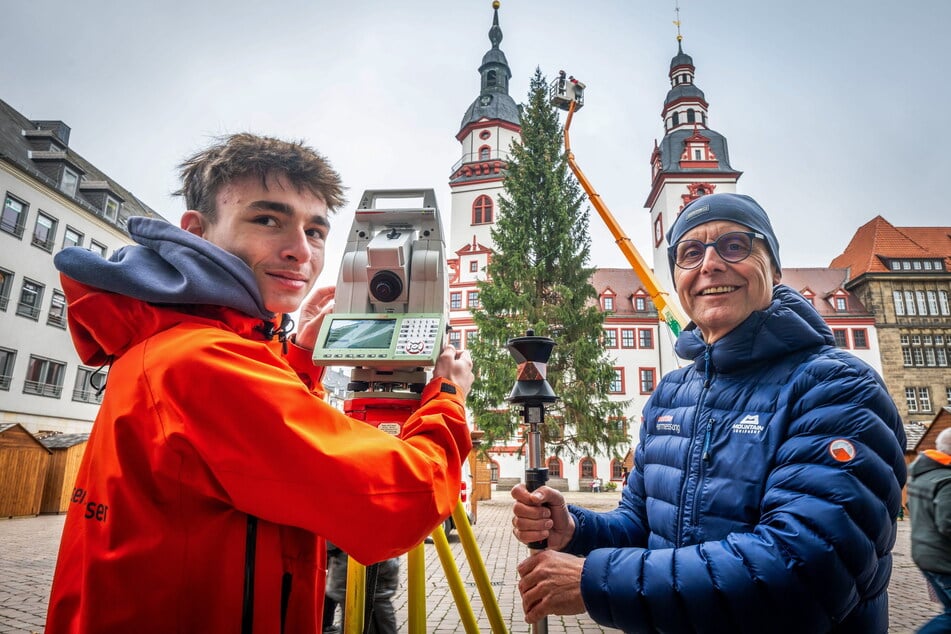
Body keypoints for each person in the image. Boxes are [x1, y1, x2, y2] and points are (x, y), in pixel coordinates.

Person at [45, 133, 474, 633]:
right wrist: (447, 397)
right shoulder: (204, 363)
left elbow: (244, 459)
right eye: (267, 220)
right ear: (197, 231)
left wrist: (296, 361)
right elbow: (401, 502)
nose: (299, 251)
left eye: (315, 231)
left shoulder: (176, 339)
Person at [511, 193, 906, 633]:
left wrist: (596, 580)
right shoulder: (672, 393)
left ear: (774, 268)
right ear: (679, 276)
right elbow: (643, 527)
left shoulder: (837, 388)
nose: (710, 264)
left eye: (734, 245)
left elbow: (805, 572)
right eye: (691, 252)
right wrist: (577, 530)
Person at [908, 427, 951, 633]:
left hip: (925, 553)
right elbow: (948, 523)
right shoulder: (946, 479)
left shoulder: (923, 472)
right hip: (943, 559)